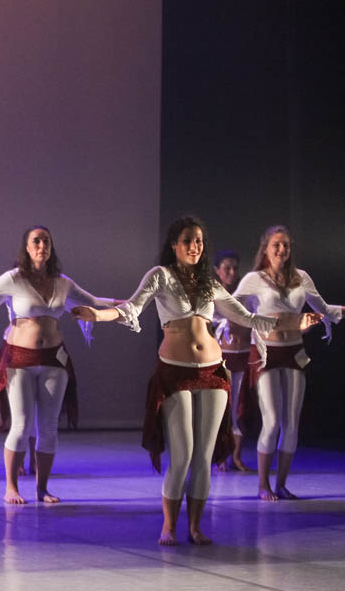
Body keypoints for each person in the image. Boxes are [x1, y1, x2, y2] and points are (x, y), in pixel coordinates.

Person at [72, 216, 319, 545]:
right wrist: (98, 315)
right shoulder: (160, 276)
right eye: (188, 240)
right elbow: (131, 308)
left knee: (203, 456)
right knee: (183, 454)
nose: (194, 246)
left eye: (199, 240)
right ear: (174, 245)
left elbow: (246, 317)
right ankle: (169, 526)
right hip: (175, 371)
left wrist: (294, 325)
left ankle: (195, 527)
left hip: (213, 371)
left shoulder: (209, 283)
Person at [0, 226, 114, 504]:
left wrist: (129, 305)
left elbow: (93, 302)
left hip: (54, 358)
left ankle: (42, 489)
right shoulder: (13, 279)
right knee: (20, 425)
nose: (42, 245)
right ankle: (11, 487)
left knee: (49, 427)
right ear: (27, 248)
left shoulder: (63, 283)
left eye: (46, 241)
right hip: (19, 358)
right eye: (36, 241)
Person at [233, 225, 341, 500]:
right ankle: (263, 486)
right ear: (266, 249)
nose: (282, 250)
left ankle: (281, 484)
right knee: (271, 422)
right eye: (276, 245)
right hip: (265, 353)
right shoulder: (254, 279)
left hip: (295, 352)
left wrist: (334, 313)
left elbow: (323, 309)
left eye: (286, 246)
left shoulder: (301, 278)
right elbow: (231, 307)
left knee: (291, 423)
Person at [211, 249, 253, 472]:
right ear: (217, 270)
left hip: (243, 355)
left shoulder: (244, 294)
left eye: (235, 268)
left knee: (239, 407)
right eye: (227, 268)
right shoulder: (212, 295)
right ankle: (221, 456)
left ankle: (236, 457)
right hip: (222, 357)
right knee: (222, 407)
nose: (232, 272)